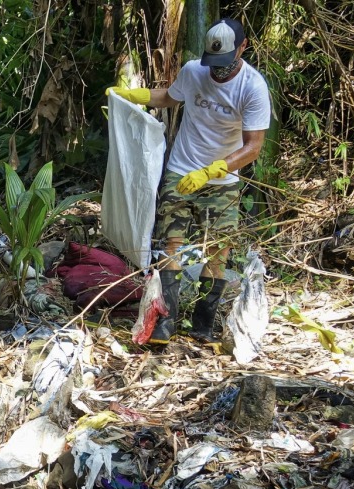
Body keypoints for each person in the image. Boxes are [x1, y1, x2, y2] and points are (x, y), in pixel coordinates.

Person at [108, 17, 272, 344]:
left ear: (243, 47)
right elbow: (169, 97)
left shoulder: (253, 87)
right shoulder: (194, 71)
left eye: (225, 62)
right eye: (214, 62)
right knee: (170, 244)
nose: (218, 70)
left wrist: (212, 171)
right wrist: (132, 95)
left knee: (218, 251)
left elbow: (253, 146)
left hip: (222, 180)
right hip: (181, 169)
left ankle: (203, 326)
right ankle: (165, 323)